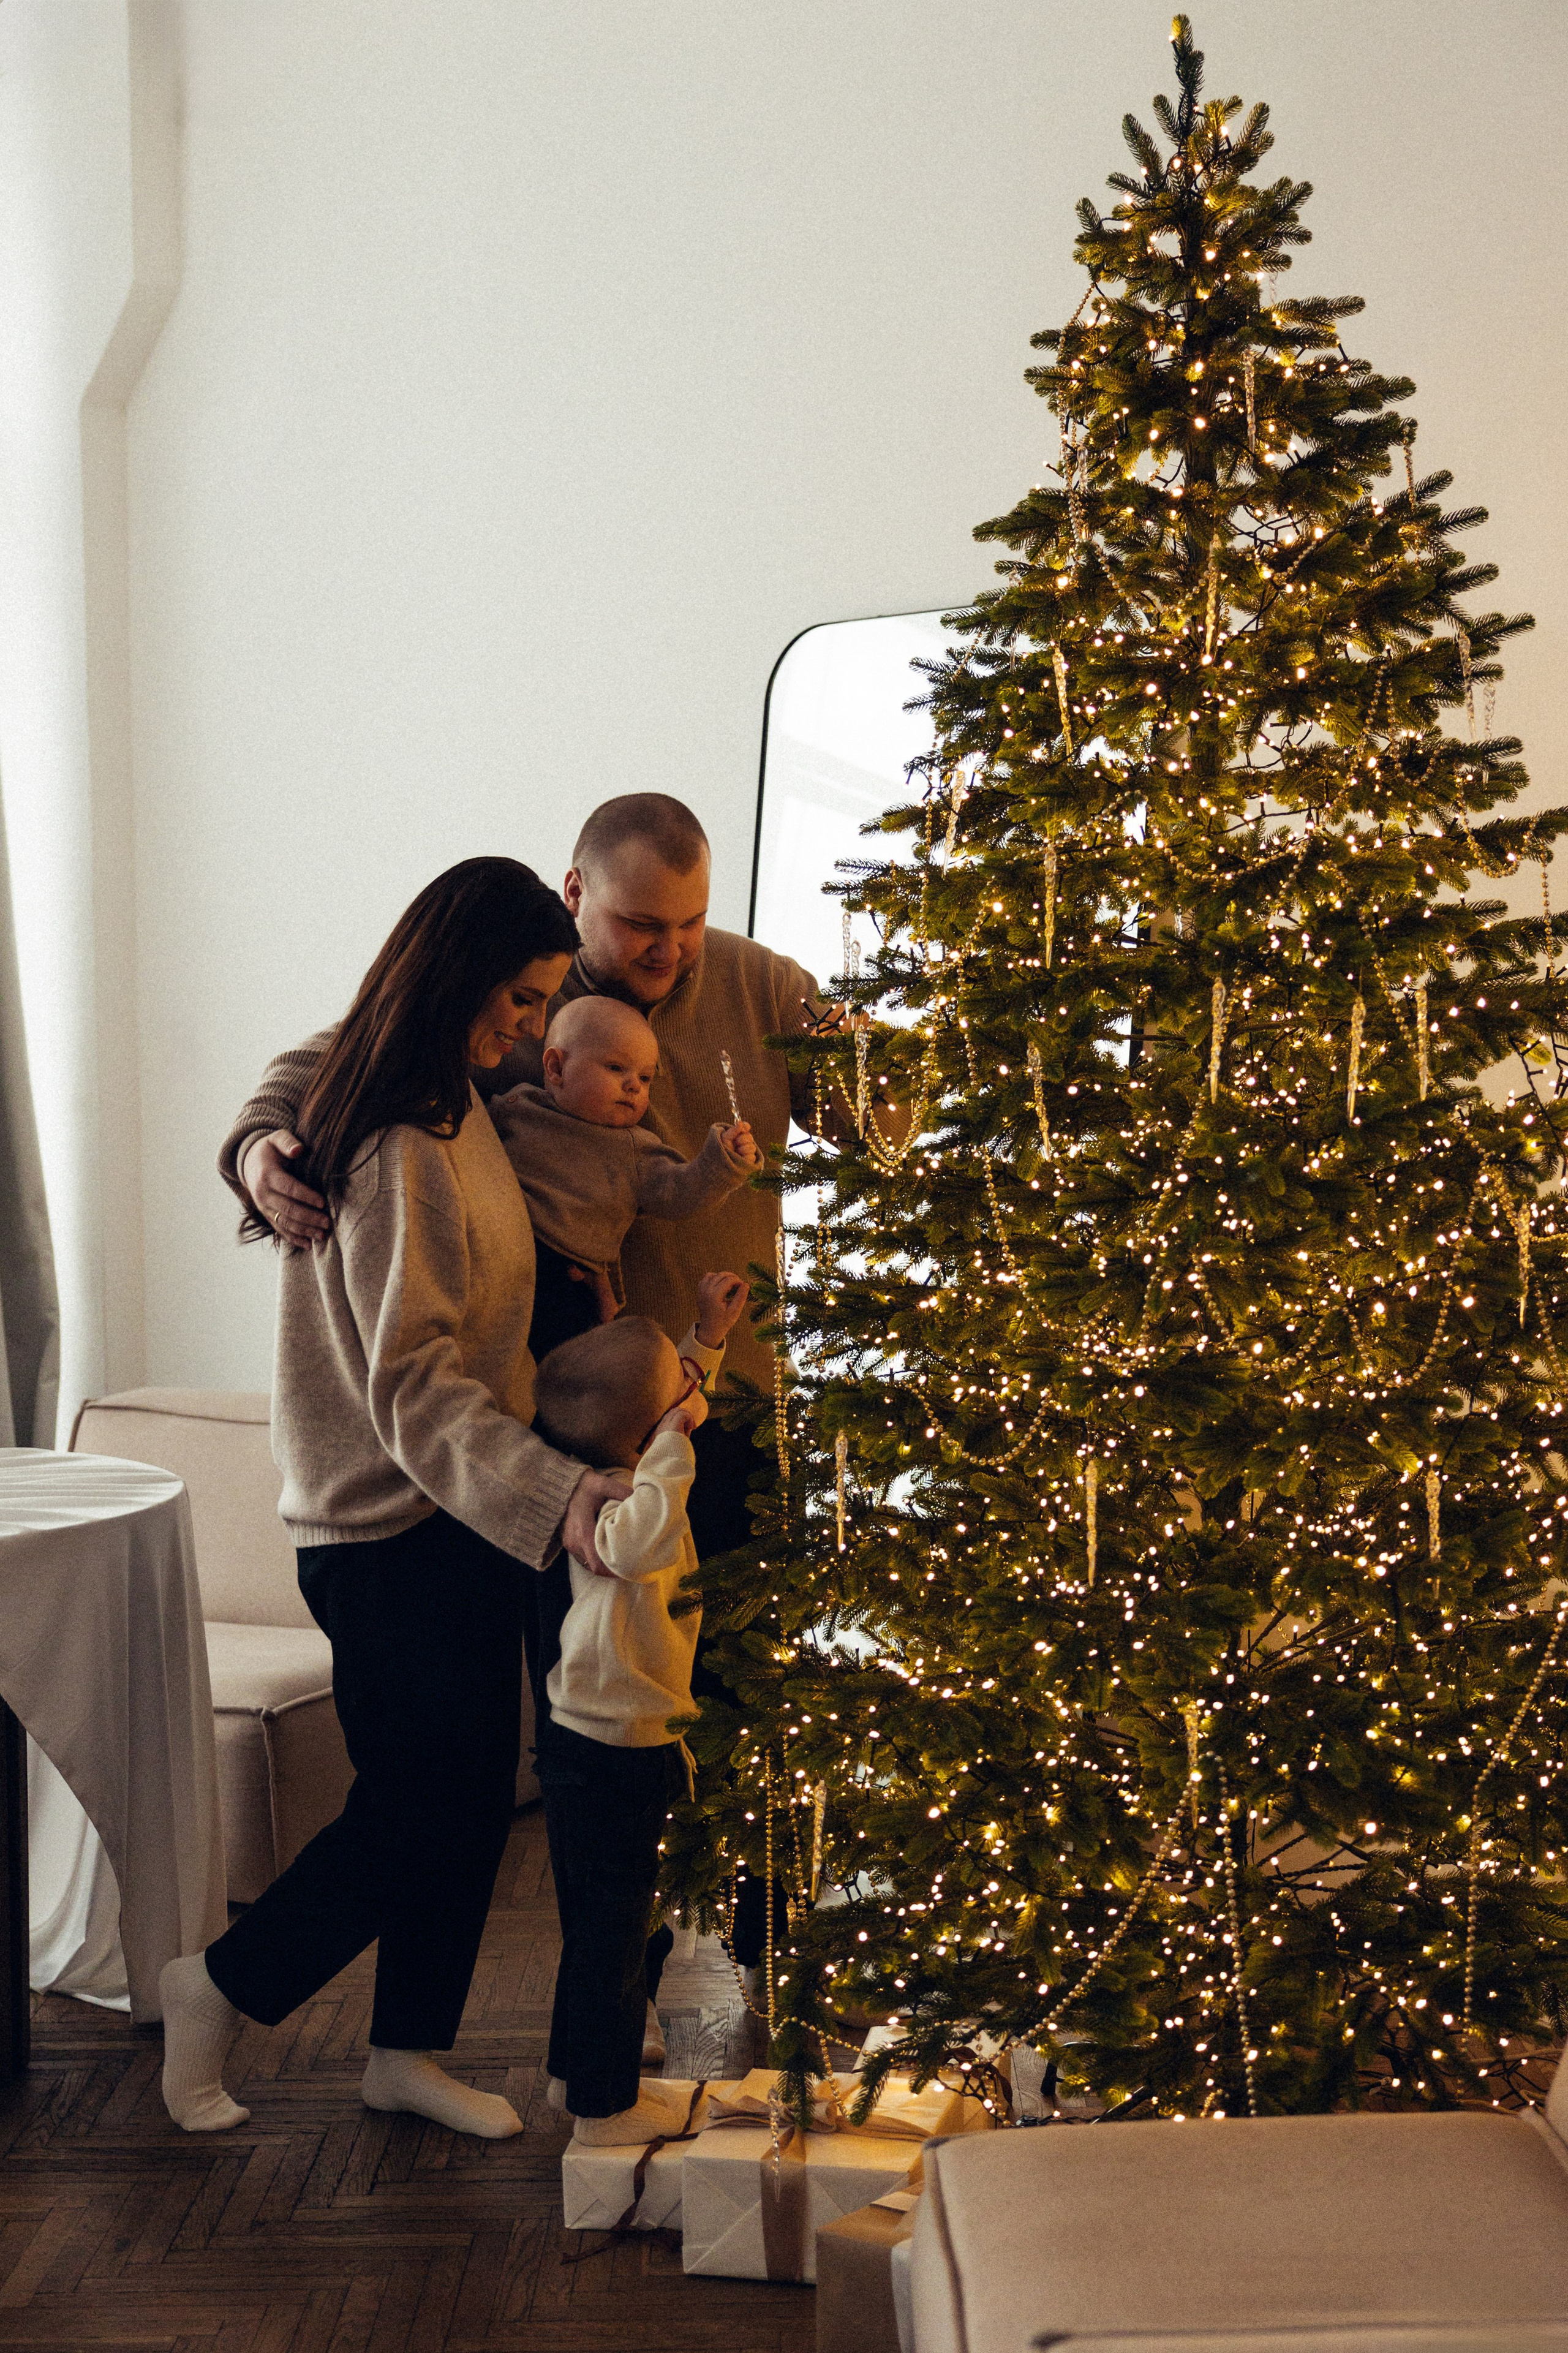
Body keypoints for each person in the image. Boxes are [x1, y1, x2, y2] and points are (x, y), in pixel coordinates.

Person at [219, 793, 859, 1963]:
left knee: (755, 1704)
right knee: (588, 1730)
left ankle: (779, 1979)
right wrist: (258, 1144)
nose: (668, 951)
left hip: (734, 1405)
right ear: (578, 900)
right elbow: (333, 1059)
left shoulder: (763, 985)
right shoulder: (516, 1006)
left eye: (691, 923)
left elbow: (883, 1126)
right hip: (569, 1433)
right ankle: (612, 1981)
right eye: (639, 925)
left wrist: (876, 1058)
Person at [163, 858, 630, 2139]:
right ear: (449, 980)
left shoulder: (445, 1089)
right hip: (389, 1526)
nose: (527, 1036)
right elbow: (412, 1387)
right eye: (514, 1003)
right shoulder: (401, 1140)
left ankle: (406, 2049)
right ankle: (215, 1988)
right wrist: (560, 1494)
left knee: (469, 1799)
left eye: (542, 1006)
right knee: (418, 1807)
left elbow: (317, 1055)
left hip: (454, 1513)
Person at [529, 1271, 748, 2145]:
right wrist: (671, 1441)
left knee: (614, 1923)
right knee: (617, 1935)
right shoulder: (615, 1506)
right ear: (642, 1438)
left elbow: (659, 1390)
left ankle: (567, 2071)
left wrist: (707, 1335)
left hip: (624, 1736)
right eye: (676, 1399)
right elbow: (655, 1512)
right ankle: (601, 2110)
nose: (691, 1398)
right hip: (610, 1749)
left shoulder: (620, 1460)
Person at [489, 994, 760, 1361]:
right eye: (617, 1068)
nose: (634, 1085)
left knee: (564, 1376)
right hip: (497, 1254)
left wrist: (723, 1160)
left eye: (645, 1078)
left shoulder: (636, 1149)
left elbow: (682, 1190)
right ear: (555, 1069)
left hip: (572, 1279)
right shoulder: (518, 1107)